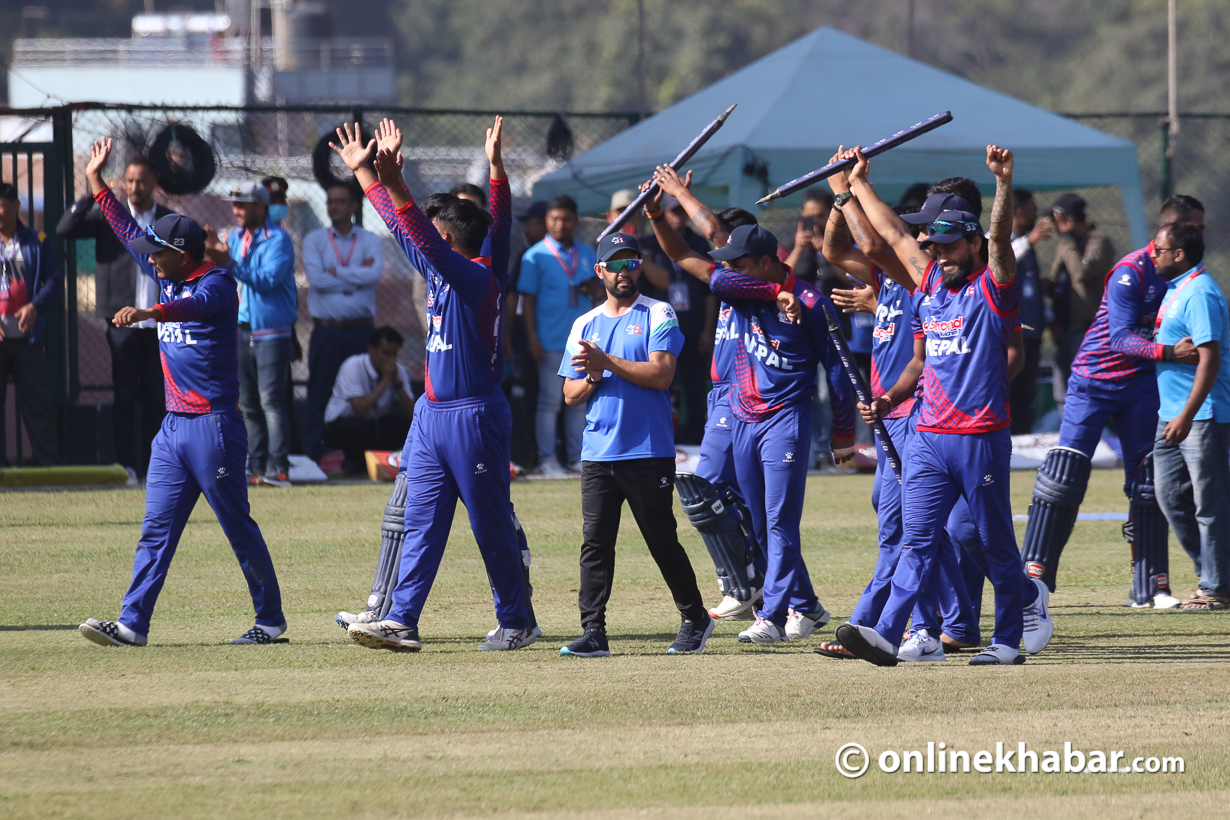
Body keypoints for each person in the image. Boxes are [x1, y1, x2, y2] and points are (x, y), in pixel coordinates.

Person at [836, 144, 1052, 666]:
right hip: (929, 436)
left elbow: (999, 239)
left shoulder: (994, 288)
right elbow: (890, 234)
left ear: (972, 243)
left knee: (996, 544)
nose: (938, 253)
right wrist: (857, 182)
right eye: (934, 246)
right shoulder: (929, 280)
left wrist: (1002, 184)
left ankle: (1005, 642)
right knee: (917, 540)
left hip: (979, 436)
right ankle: (888, 635)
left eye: (950, 245)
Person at [332, 116, 535, 652]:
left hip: (474, 415)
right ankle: (401, 620)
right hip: (431, 415)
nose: (420, 240)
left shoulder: (474, 276)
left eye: (431, 232)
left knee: (491, 527)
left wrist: (393, 184)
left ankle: (517, 620)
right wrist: (366, 179)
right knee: (420, 521)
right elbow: (415, 233)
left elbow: (426, 240)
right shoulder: (453, 268)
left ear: (446, 238)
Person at [78, 138, 286, 647]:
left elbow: (191, 307)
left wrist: (148, 313)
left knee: (237, 526)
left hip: (214, 427)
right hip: (173, 429)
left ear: (181, 255)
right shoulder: (164, 267)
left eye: (158, 253)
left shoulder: (216, 283)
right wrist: (95, 182)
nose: (149, 258)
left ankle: (271, 621)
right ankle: (132, 624)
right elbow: (128, 232)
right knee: (156, 530)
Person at [818, 173, 983, 662]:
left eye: (927, 228)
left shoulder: (932, 274)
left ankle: (886, 625)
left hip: (923, 413)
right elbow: (836, 250)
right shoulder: (890, 277)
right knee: (914, 525)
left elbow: (873, 238)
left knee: (907, 525)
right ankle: (952, 622)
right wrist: (839, 201)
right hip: (892, 411)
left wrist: (848, 191)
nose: (923, 236)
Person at [1020, 196, 1205, 607]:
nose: (1200, 238)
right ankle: (1034, 581)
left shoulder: (1189, 279)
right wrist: (1171, 354)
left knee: (1147, 480)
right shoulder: (1131, 271)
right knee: (1065, 475)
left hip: (1141, 388)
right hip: (1094, 381)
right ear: (1172, 234)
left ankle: (1151, 587)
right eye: (1194, 229)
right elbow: (1121, 337)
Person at [557, 231, 712, 656]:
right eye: (617, 264)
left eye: (633, 263)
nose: (627, 272)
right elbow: (570, 395)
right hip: (598, 453)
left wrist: (605, 362)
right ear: (600, 270)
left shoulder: (659, 312)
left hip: (646, 450)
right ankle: (594, 633)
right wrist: (592, 375)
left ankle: (695, 618)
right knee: (595, 544)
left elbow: (662, 374)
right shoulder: (584, 324)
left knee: (661, 540)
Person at [706, 223, 858, 645]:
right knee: (757, 521)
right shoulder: (740, 288)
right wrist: (775, 293)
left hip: (785, 420)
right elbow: (717, 278)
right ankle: (806, 605)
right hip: (742, 416)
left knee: (779, 522)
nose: (732, 270)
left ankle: (771, 616)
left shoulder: (812, 301)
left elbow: (840, 370)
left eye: (742, 263)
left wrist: (844, 432)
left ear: (768, 262)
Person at [644, 165, 768, 620]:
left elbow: (710, 233)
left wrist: (678, 194)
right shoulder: (723, 279)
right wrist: (658, 213)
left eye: (731, 250)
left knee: (710, 487)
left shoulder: (752, 283)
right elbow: (679, 254)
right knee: (733, 496)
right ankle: (767, 588)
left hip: (744, 397)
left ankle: (750, 584)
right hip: (723, 394)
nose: (722, 255)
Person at [57, 156, 172, 480]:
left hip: (158, 324)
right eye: (130, 181)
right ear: (122, 183)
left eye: (142, 181)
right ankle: (127, 468)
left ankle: (154, 468)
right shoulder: (110, 216)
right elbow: (65, 228)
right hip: (121, 324)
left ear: (154, 184)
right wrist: (92, 193)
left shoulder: (166, 221)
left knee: (155, 398)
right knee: (123, 398)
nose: (135, 187)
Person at [1150, 222, 1230, 611]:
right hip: (1170, 415)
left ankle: (1215, 587)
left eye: (1159, 250)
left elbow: (1209, 358)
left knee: (1209, 504)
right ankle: (1215, 574)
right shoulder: (1176, 290)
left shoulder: (1199, 292)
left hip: (1200, 416)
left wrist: (1186, 415)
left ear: (1178, 254)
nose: (1153, 255)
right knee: (1171, 498)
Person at [202, 181, 297, 487]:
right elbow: (224, 275)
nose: (237, 210)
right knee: (247, 404)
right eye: (235, 205)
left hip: (272, 331)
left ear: (261, 206)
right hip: (239, 328)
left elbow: (267, 280)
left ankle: (278, 466)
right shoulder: (234, 237)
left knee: (271, 400)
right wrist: (217, 258)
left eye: (243, 205)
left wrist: (227, 260)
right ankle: (255, 467)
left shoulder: (279, 239)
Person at [301, 181, 383, 464]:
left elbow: (374, 276)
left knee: (366, 392)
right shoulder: (315, 240)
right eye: (330, 201)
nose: (333, 206)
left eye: (340, 201)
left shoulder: (370, 239)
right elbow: (317, 280)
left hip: (361, 330)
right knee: (319, 391)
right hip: (328, 329)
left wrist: (336, 271)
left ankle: (362, 457)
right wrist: (355, 273)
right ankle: (313, 455)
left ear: (353, 206)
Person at [517, 194, 598, 474]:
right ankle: (547, 459)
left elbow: (601, 291)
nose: (560, 224)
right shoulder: (534, 255)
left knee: (579, 401)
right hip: (549, 340)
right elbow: (526, 300)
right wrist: (532, 337)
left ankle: (577, 458)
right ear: (546, 221)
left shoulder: (587, 253)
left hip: (582, 341)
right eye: (554, 219)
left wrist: (594, 288)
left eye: (565, 219)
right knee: (550, 402)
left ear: (576, 221)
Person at [0, 182, 60, 466]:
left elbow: (54, 279)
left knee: (37, 407)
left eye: (2, 206)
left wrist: (35, 306)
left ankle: (48, 469)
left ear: (15, 206)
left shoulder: (37, 240)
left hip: (28, 341)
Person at [1044, 193, 1116, 399]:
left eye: (1057, 221)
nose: (1056, 227)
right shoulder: (1066, 244)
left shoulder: (1099, 241)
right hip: (1065, 329)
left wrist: (1066, 242)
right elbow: (1055, 279)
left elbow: (1080, 272)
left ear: (1069, 219)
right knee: (1063, 393)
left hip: (1089, 330)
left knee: (1090, 389)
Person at [324, 326, 414, 475]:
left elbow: (411, 413)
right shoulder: (353, 366)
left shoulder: (398, 371)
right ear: (372, 349)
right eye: (385, 353)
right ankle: (352, 464)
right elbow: (360, 410)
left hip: (374, 424)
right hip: (342, 424)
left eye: (394, 354)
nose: (390, 359)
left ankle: (392, 464)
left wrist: (397, 383)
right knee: (356, 427)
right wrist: (385, 380)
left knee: (401, 426)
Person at [1007, 188, 1052, 434]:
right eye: (1033, 210)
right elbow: (999, 261)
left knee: (1027, 391)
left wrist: (1049, 317)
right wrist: (1028, 241)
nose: (1036, 215)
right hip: (1011, 331)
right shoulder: (998, 238)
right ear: (1020, 211)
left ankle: (1023, 438)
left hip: (1032, 331)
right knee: (1009, 388)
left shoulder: (1029, 246)